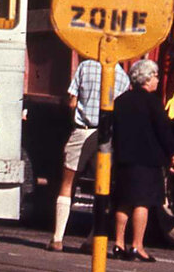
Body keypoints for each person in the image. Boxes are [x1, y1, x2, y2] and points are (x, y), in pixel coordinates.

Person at [47, 56, 131, 251]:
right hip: (105, 135)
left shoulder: (85, 67)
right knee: (102, 187)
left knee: (68, 182)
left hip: (82, 130)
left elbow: (72, 102)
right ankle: (92, 239)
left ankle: (58, 238)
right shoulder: (122, 76)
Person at [111, 59, 174, 263]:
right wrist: (173, 155)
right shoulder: (153, 103)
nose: (158, 80)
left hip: (124, 158)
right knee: (142, 202)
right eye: (156, 76)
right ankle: (137, 246)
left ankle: (118, 243)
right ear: (147, 78)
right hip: (147, 160)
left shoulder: (120, 101)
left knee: (124, 201)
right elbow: (163, 131)